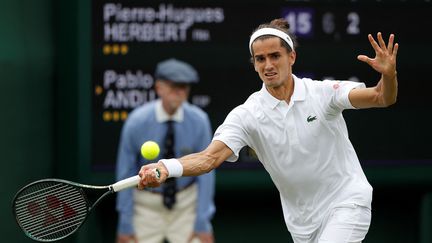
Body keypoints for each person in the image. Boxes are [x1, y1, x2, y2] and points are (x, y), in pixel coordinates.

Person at [138, 18, 399, 243]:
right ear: (254, 64)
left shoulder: (322, 94)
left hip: (347, 201)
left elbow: (381, 97)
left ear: (291, 57)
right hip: (302, 223)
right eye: (260, 59)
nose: (268, 65)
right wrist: (166, 168)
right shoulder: (247, 114)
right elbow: (209, 158)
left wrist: (388, 76)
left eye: (275, 56)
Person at [116, 58, 215, 243]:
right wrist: (125, 224)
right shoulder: (136, 122)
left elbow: (206, 174)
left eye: (184, 87)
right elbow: (125, 172)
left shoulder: (199, 121)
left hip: (187, 205)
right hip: (145, 207)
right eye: (173, 86)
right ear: (159, 87)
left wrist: (202, 222)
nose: (179, 92)